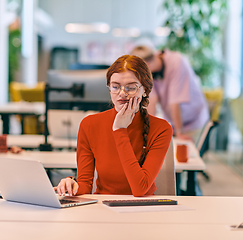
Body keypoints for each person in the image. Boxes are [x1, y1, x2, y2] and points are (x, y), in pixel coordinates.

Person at [55, 55, 173, 197]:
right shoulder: (89, 124)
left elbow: (139, 189)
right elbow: (85, 185)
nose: (122, 94)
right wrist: (72, 185)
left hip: (143, 209)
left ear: (145, 91)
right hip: (103, 207)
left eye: (131, 87)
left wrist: (120, 130)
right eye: (115, 87)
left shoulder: (161, 128)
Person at [130, 45, 209, 142]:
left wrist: (179, 132)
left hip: (194, 121)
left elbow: (175, 102)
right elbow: (151, 101)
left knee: (191, 155)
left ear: (147, 64)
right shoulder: (149, 71)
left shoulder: (176, 61)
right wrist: (147, 131)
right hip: (174, 123)